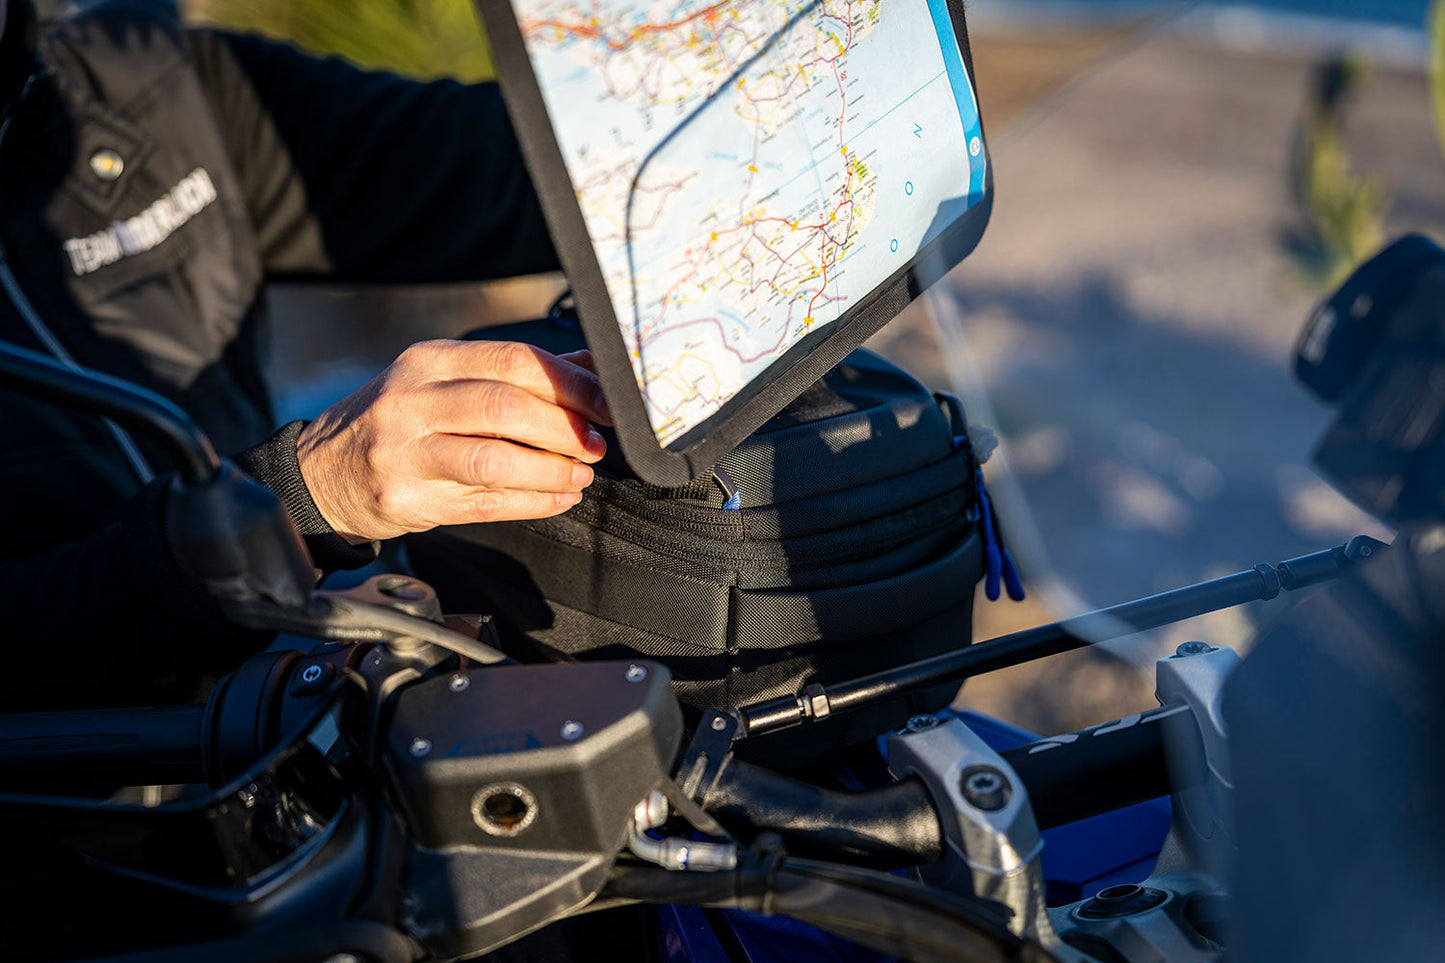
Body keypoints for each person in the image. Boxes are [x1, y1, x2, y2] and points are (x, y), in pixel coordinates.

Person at [0, 0, 608, 709]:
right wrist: (306, 494)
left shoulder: (142, 78)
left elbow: (499, 170)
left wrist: (687, 101)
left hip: (280, 684)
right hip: (98, 765)